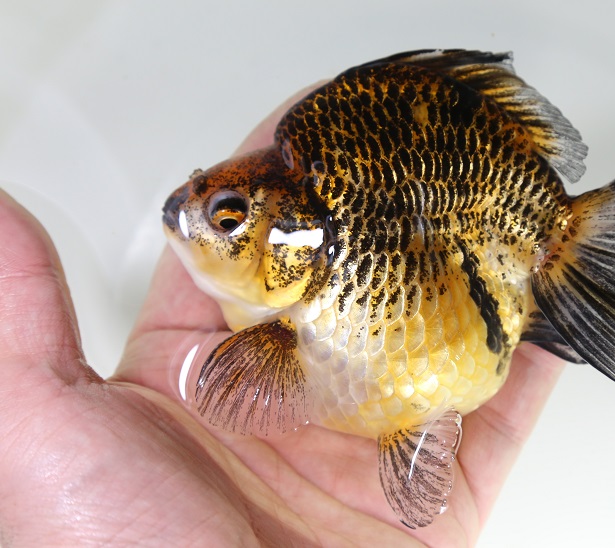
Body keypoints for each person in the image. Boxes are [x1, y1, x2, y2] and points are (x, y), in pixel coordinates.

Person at [0, 96, 565, 546]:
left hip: (489, 307)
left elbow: (236, 396)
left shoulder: (281, 321)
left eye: (227, 216)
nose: (185, 218)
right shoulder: (278, 324)